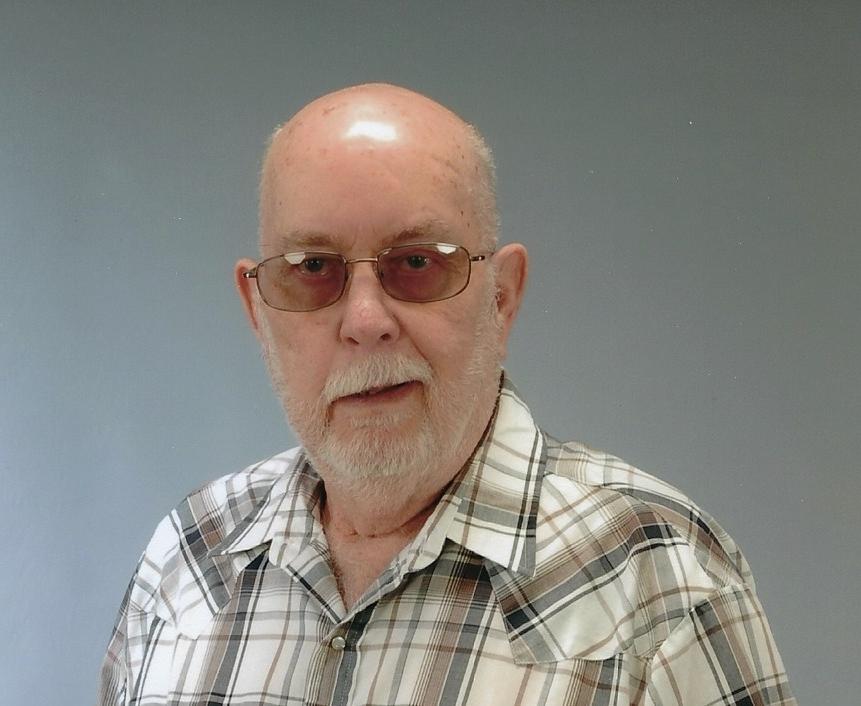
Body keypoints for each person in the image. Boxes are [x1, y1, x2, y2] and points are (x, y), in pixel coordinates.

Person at [98, 83, 795, 705]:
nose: (365, 321)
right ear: (258, 310)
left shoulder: (662, 579)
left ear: (502, 296)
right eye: (312, 268)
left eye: (416, 263)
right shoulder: (190, 556)